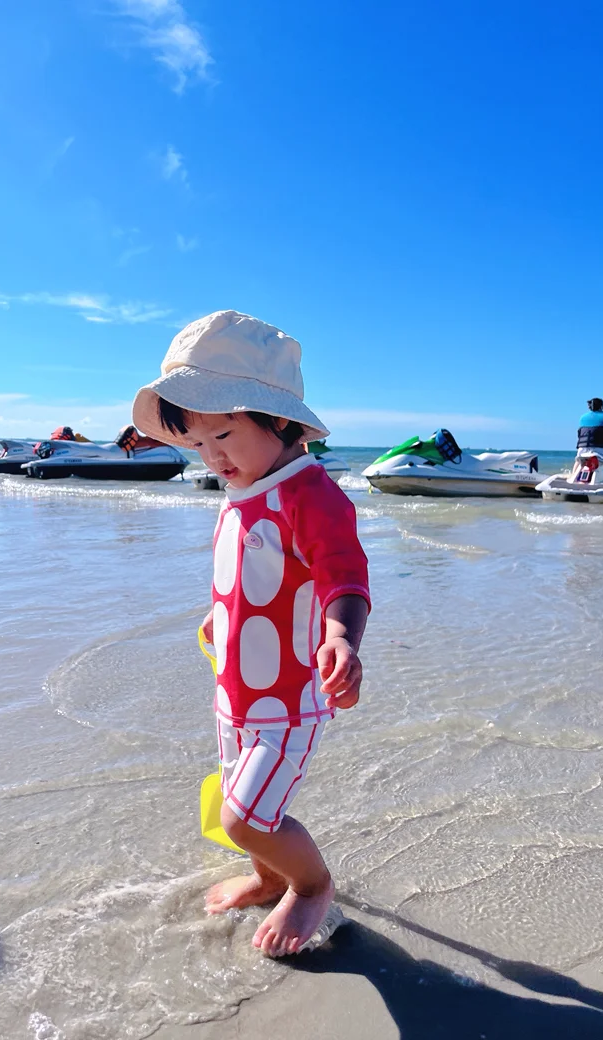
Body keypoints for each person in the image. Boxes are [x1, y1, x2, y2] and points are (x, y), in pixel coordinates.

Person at [132, 310, 371, 958]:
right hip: (236, 695)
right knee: (241, 808)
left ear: (281, 421)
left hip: (288, 700)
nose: (213, 457)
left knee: (244, 816)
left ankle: (311, 884)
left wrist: (342, 639)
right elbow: (254, 574)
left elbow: (343, 575)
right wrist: (223, 615)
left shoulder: (311, 494)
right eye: (198, 443)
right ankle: (269, 877)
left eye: (224, 435)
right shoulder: (244, 489)